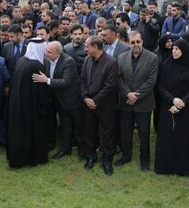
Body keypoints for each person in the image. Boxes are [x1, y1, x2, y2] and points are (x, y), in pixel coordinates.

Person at [32, 41, 85, 160]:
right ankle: (65, 149)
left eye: (49, 52)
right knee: (65, 126)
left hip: (72, 100)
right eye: (46, 51)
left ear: (58, 53)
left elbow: (66, 82)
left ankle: (82, 150)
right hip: (59, 100)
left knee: (78, 127)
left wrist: (47, 80)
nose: (46, 54)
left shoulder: (68, 61)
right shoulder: (46, 60)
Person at [154, 38, 189, 176]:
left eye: (177, 49)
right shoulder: (166, 65)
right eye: (173, 48)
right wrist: (172, 100)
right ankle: (165, 166)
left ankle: (181, 167)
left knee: (183, 138)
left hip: (187, 107)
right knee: (167, 137)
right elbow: (160, 86)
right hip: (169, 105)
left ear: (184, 50)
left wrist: (183, 102)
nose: (174, 51)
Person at [115, 31, 158, 171]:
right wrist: (127, 94)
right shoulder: (121, 58)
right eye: (132, 42)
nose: (135, 45)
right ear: (128, 42)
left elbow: (151, 81)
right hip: (125, 102)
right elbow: (118, 79)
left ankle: (144, 159)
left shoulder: (152, 58)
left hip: (143, 103)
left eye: (138, 41)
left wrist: (135, 96)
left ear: (142, 41)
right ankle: (126, 155)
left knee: (144, 133)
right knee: (125, 132)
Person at [6, 38, 51, 168]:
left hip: (18, 104)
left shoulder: (22, 60)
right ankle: (34, 158)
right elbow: (41, 92)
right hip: (30, 107)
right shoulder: (37, 65)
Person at [80, 35, 119, 175]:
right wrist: (85, 98)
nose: (85, 49)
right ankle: (90, 156)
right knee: (90, 131)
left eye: (87, 46)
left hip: (105, 105)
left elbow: (110, 86)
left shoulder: (111, 62)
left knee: (108, 133)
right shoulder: (86, 60)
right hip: (89, 103)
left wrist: (95, 101)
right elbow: (82, 80)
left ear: (95, 47)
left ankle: (107, 160)